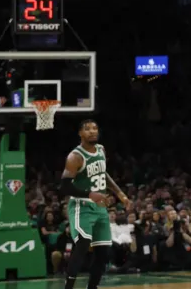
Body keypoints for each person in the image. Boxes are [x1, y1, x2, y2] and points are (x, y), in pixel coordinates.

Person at [60, 120, 129, 289]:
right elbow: (65, 187)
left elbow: (103, 173)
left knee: (103, 252)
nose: (92, 131)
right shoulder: (75, 157)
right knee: (83, 244)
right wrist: (91, 194)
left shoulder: (101, 150)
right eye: (87, 129)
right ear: (80, 133)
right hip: (81, 206)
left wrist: (120, 193)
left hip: (100, 207)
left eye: (95, 128)